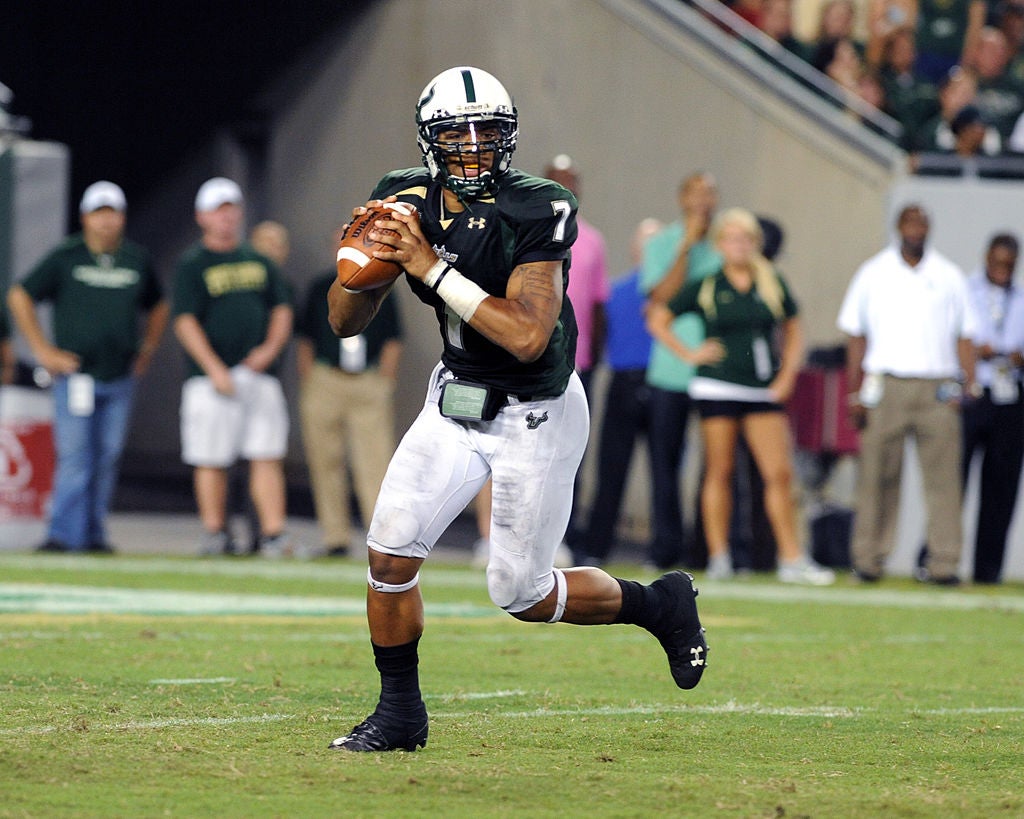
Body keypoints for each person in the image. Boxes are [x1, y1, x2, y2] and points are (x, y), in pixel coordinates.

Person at [325, 66, 707, 753]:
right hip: (455, 397)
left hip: (536, 411)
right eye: (457, 134)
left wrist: (429, 266)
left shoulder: (537, 205)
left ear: (510, 137)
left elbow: (530, 335)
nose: (474, 147)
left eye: (488, 132)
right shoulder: (403, 197)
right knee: (389, 554)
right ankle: (400, 713)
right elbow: (344, 321)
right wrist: (355, 268)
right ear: (428, 141)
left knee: (522, 592)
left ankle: (659, 604)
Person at [646, 207, 835, 585]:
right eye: (732, 239)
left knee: (778, 472)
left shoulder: (770, 282)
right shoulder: (707, 284)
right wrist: (690, 354)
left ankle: (792, 557)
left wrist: (787, 375)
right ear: (720, 244)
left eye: (746, 239)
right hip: (717, 385)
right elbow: (658, 317)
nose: (739, 246)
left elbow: (794, 329)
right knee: (720, 470)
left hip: (761, 387)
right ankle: (719, 556)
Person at [7, 181, 168, 553]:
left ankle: (94, 534)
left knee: (107, 457)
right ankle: (63, 534)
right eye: (99, 214)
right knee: (76, 458)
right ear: (85, 218)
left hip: (119, 375)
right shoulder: (68, 256)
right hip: (76, 375)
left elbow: (159, 304)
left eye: (113, 214)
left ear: (122, 218)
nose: (106, 222)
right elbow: (20, 295)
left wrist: (147, 347)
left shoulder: (135, 259)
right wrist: (42, 350)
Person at [837, 204, 978, 584]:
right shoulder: (873, 272)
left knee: (944, 481)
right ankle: (868, 559)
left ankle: (944, 562)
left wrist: (968, 384)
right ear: (898, 227)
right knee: (876, 477)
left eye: (922, 223)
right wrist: (854, 393)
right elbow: (856, 335)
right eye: (910, 223)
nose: (916, 229)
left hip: (937, 386)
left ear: (929, 229)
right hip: (886, 383)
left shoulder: (948, 275)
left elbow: (965, 334)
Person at [172, 177, 294, 557]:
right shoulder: (193, 264)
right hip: (211, 379)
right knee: (210, 457)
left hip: (257, 373)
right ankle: (215, 532)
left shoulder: (258, 261)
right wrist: (213, 368)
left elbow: (281, 309)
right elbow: (185, 320)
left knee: (266, 453)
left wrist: (269, 350)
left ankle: (273, 535)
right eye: (218, 210)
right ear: (202, 216)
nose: (226, 217)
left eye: (231, 209)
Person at [296, 229, 404, 557]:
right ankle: (335, 537)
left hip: (367, 380)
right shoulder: (320, 287)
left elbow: (393, 338)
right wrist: (309, 378)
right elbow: (305, 337)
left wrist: (385, 380)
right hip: (327, 377)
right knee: (325, 460)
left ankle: (381, 537)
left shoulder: (380, 284)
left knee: (374, 460)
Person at [641, 172, 722, 570]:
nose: (704, 200)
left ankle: (706, 549)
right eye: (697, 193)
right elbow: (660, 296)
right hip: (670, 371)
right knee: (665, 463)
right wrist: (686, 246)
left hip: (716, 371)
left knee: (717, 465)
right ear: (682, 199)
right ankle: (665, 549)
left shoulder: (724, 244)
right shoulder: (662, 243)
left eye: (711, 193)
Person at [577, 217, 664, 566]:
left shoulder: (676, 295)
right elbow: (598, 328)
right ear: (634, 249)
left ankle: (665, 551)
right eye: (645, 243)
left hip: (663, 384)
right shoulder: (615, 292)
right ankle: (596, 548)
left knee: (664, 472)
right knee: (611, 470)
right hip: (623, 381)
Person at [542, 153, 610, 547]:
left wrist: (593, 358)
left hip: (576, 364)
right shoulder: (523, 228)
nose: (565, 187)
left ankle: (562, 538)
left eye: (571, 181)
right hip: (530, 359)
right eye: (557, 179)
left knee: (570, 452)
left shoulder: (593, 240)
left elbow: (599, 306)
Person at [962, 233, 1024, 583]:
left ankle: (988, 570)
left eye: (1009, 265)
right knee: (954, 480)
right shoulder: (965, 291)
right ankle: (937, 560)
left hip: (1010, 397)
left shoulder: (1021, 298)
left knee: (1001, 487)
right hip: (973, 392)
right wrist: (974, 351)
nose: (1002, 270)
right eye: (997, 263)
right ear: (986, 258)